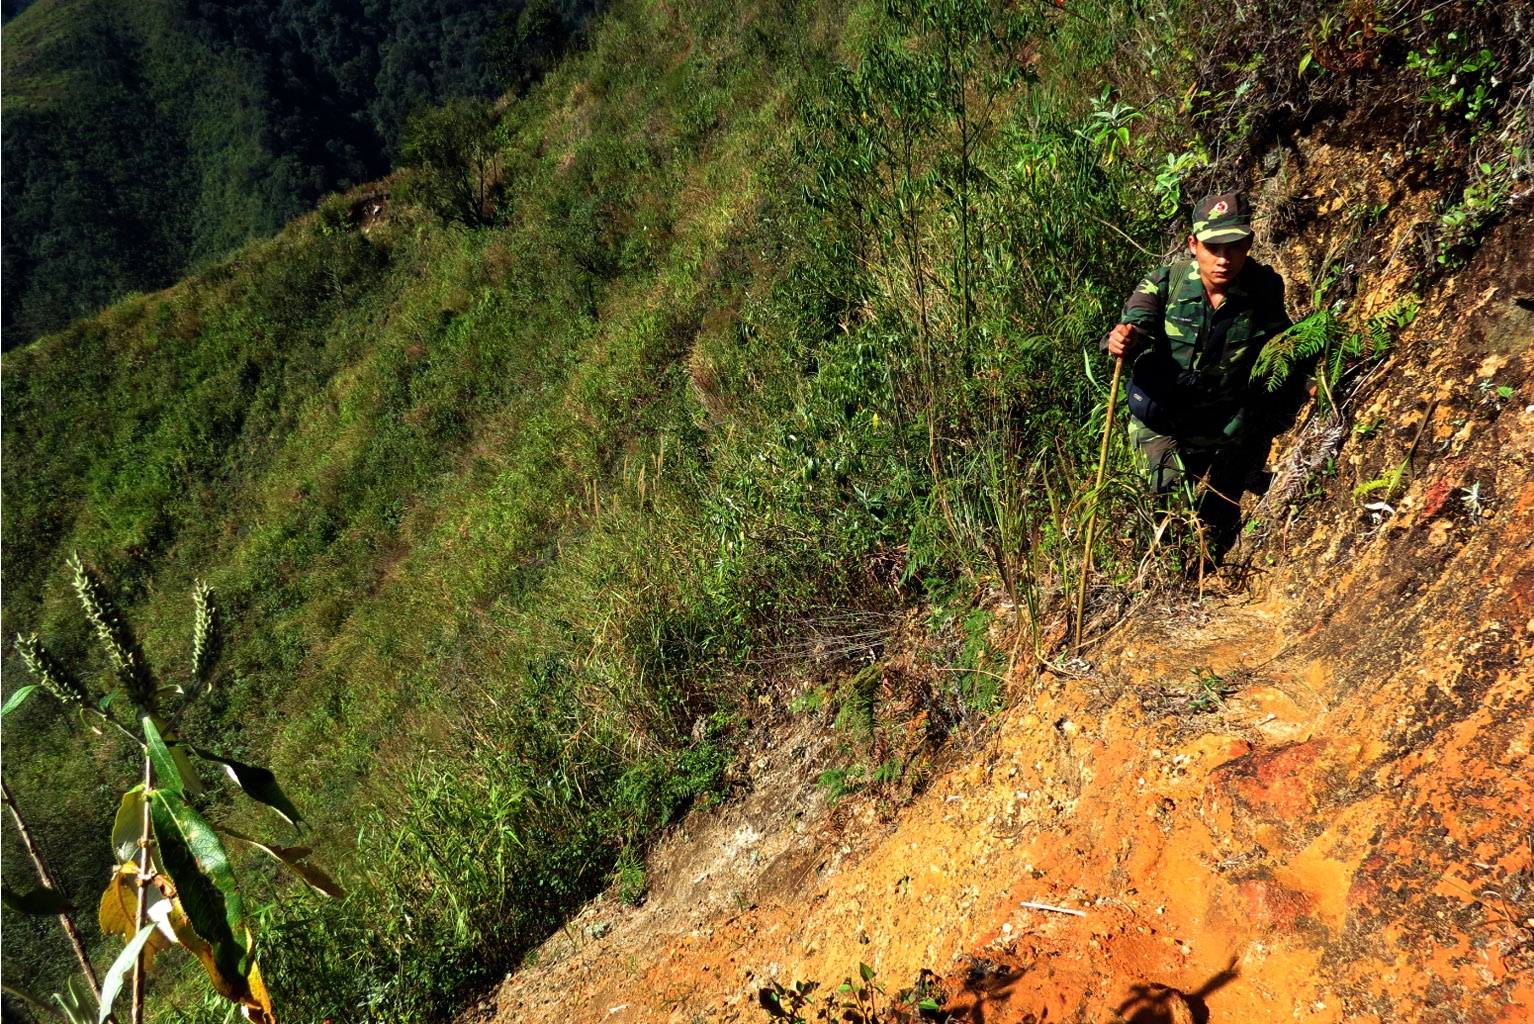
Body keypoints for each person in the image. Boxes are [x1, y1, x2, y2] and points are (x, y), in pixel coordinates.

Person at [1105, 191, 1293, 561]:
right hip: (1162, 420)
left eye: (1235, 247)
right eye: (1213, 247)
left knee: (1220, 514)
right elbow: (1136, 323)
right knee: (1167, 505)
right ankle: (1165, 577)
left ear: (1249, 244)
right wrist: (1123, 339)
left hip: (1224, 423)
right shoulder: (1164, 283)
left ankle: (1214, 561)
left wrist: (1307, 382)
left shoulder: (1263, 288)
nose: (1224, 259)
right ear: (1194, 244)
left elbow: (1284, 344)